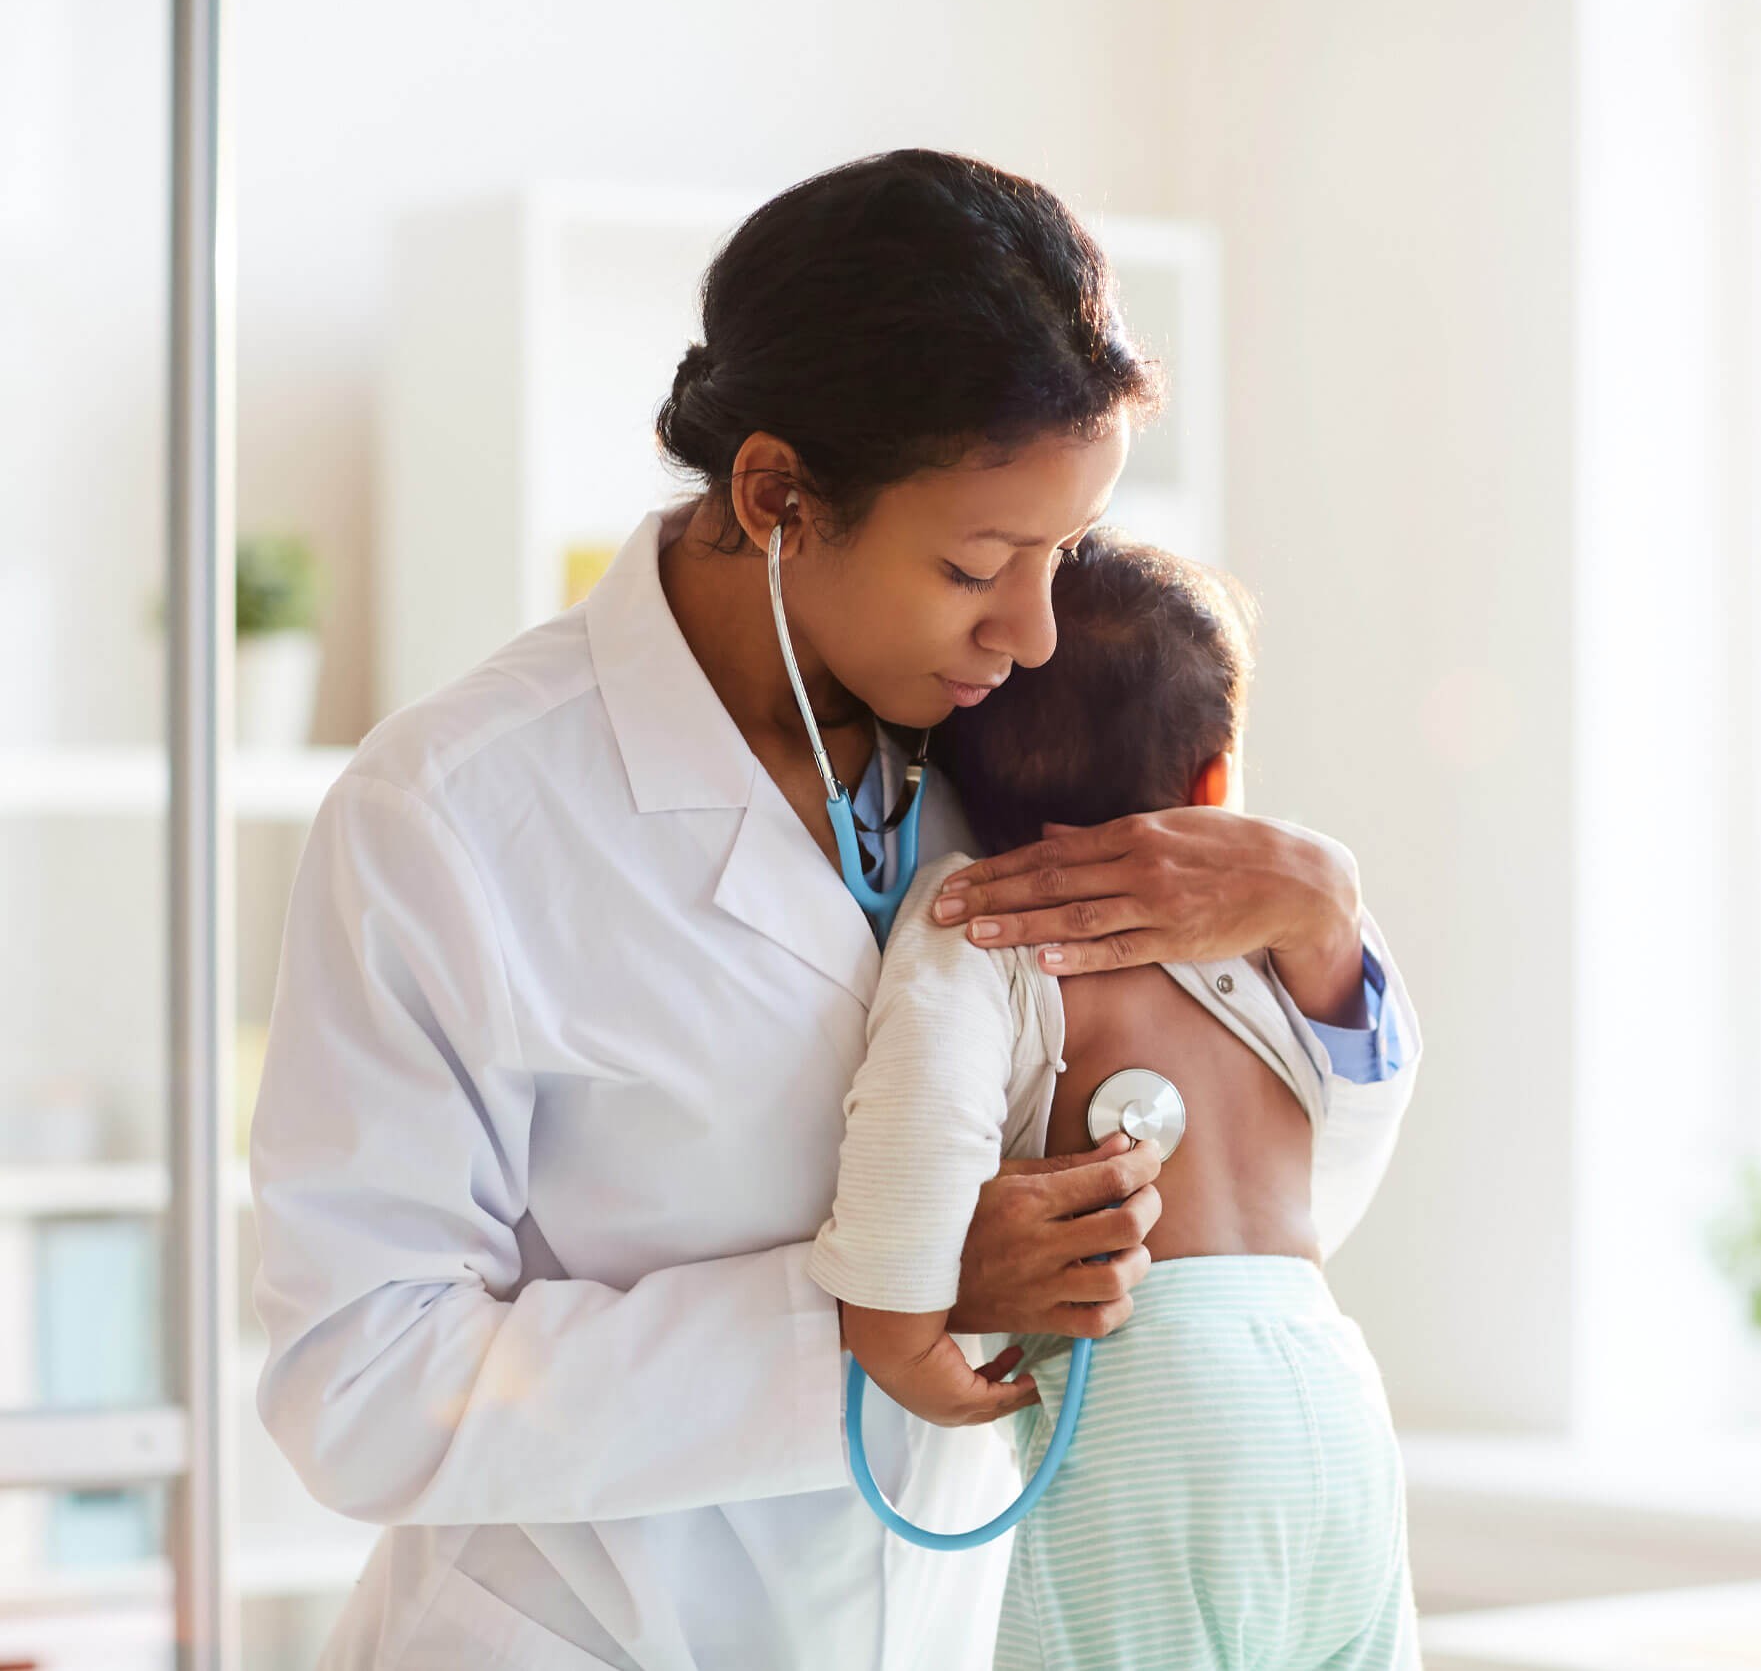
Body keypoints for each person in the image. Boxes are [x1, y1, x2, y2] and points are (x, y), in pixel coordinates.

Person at [249, 149, 1419, 1670]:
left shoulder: (1022, 751)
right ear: (778, 496)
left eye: (1064, 556)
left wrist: (1327, 943)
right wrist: (885, 1310)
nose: (1035, 629)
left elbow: (1260, 1225)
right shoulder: (453, 814)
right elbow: (360, 1390)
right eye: (978, 564)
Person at [814, 532, 1418, 1670]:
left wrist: (894, 1328)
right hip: (1328, 1380)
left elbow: (922, 1113)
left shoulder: (980, 909)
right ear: (1214, 782)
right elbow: (1363, 1077)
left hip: (1158, 1388)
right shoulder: (1272, 938)